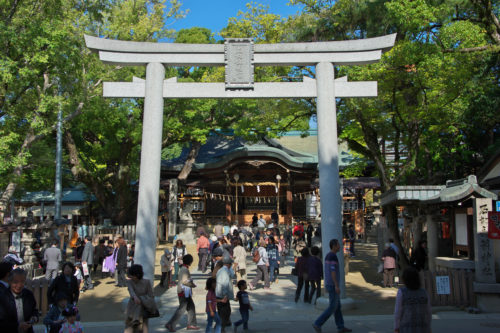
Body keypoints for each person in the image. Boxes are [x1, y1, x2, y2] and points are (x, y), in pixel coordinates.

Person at [312, 239, 351, 333]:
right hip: (332, 284)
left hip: (329, 283)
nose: (340, 246)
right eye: (338, 245)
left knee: (337, 307)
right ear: (334, 246)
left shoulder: (328, 256)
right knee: (333, 307)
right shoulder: (333, 257)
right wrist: (336, 285)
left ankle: (340, 326)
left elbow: (328, 271)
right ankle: (318, 323)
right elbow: (333, 271)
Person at [165, 254, 200, 332]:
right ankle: (171, 324)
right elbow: (184, 281)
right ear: (190, 262)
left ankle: (191, 323)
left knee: (191, 308)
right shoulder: (184, 269)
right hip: (184, 292)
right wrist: (192, 284)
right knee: (181, 309)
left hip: (185, 292)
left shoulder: (184, 268)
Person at [0, 268, 39, 333]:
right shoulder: (3, 297)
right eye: (15, 282)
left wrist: (34, 318)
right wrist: (18, 326)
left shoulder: (28, 294)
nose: (19, 285)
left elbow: (34, 310)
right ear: (9, 282)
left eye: (22, 282)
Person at [394, 267, 432, 333]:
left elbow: (398, 312)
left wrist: (396, 327)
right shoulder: (424, 292)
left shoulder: (402, 292)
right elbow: (428, 311)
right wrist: (428, 326)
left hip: (406, 326)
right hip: (423, 326)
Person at [125, 264, 157, 333]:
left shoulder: (146, 282)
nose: (130, 276)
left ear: (137, 275)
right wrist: (135, 297)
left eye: (132, 275)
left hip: (144, 307)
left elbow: (151, 295)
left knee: (143, 327)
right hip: (132, 307)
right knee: (129, 327)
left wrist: (142, 299)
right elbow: (131, 291)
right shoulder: (130, 282)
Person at [216, 255, 234, 332]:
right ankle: (221, 329)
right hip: (223, 296)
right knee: (224, 313)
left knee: (224, 312)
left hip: (220, 295)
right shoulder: (224, 271)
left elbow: (232, 275)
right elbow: (225, 284)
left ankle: (220, 327)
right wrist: (225, 295)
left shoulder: (221, 270)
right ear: (228, 264)